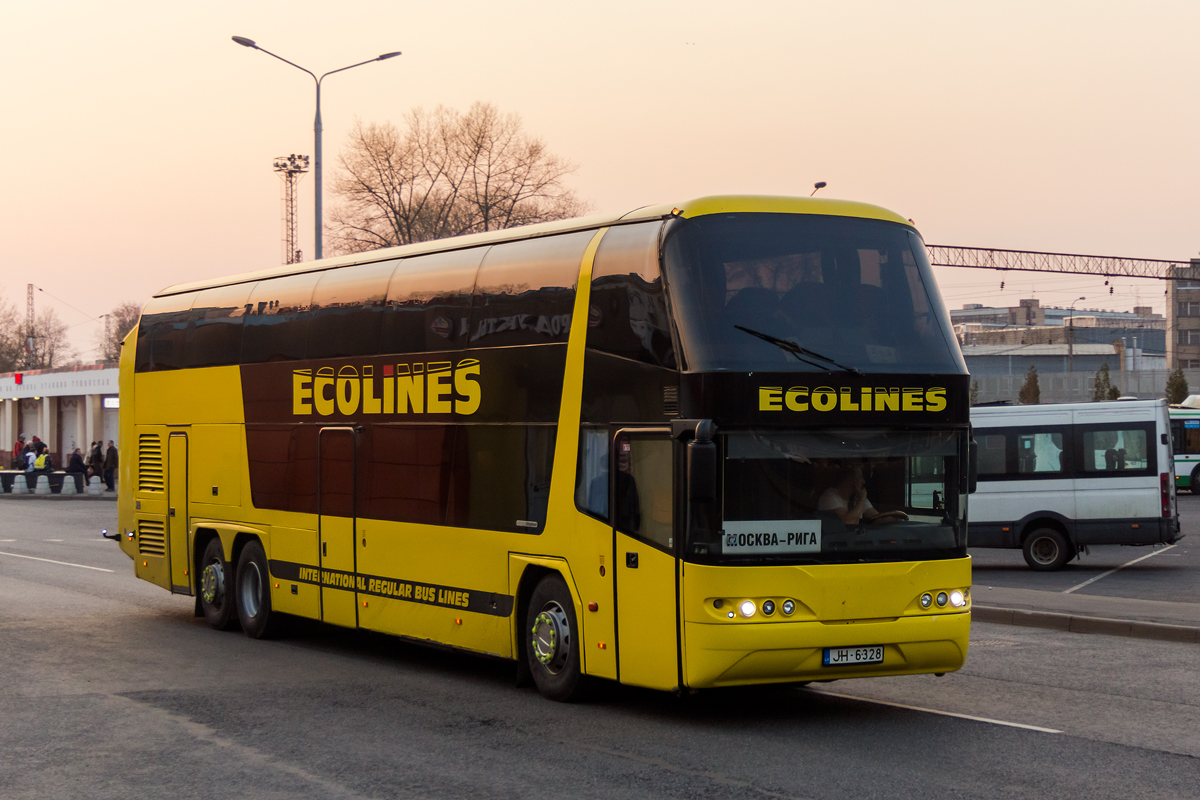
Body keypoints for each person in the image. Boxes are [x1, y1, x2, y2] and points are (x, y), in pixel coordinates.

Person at [818, 465, 907, 525]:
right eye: (860, 478)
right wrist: (862, 499)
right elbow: (848, 522)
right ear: (849, 480)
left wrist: (897, 521)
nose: (863, 481)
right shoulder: (829, 497)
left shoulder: (857, 497)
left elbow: (876, 517)